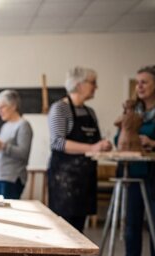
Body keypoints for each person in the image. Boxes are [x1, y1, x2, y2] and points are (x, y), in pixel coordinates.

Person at [115, 65, 155, 256]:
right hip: (131, 176)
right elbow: (119, 138)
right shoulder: (133, 111)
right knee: (131, 225)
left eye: (144, 82)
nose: (138, 86)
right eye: (137, 82)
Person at [47, 67, 112, 232]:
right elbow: (58, 142)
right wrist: (92, 147)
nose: (96, 87)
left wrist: (103, 145)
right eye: (93, 83)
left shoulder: (90, 112)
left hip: (85, 177)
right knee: (63, 231)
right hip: (65, 179)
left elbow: (96, 141)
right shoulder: (60, 108)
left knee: (79, 230)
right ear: (79, 84)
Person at [0, 90, 33, 199]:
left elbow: (23, 153)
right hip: (0, 175)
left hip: (12, 178)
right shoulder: (5, 126)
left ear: (13, 106)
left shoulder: (23, 125)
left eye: (1, 107)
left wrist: (1, 145)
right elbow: (1, 149)